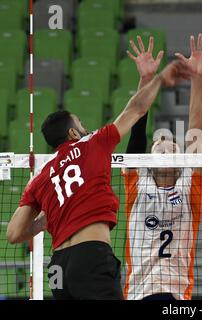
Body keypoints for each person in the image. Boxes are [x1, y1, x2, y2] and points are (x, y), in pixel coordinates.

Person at [6, 36, 187, 300]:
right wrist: (154, 78)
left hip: (58, 266)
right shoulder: (92, 143)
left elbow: (13, 234)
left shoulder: (41, 177)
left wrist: (45, 221)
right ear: (72, 133)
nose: (85, 127)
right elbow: (136, 109)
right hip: (90, 257)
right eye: (80, 123)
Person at [122, 33, 202, 300]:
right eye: (158, 143)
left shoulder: (189, 188)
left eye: (172, 145)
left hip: (176, 295)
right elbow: (137, 128)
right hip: (138, 294)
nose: (163, 143)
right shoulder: (136, 185)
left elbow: (195, 132)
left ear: (180, 162)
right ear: (147, 160)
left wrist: (197, 77)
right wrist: (146, 79)